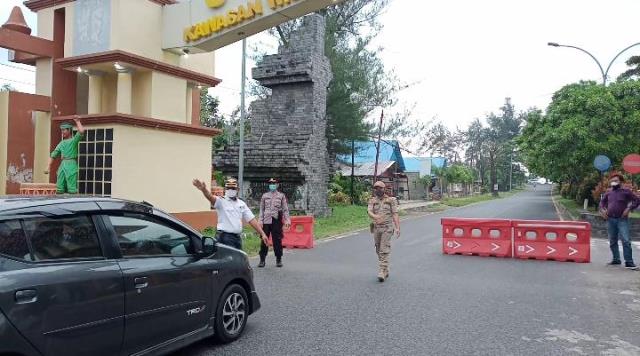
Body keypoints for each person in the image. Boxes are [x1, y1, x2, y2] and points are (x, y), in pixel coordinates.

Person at [193, 178, 268, 250]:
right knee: (230, 261)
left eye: (233, 188)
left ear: (237, 190)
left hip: (237, 238)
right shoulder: (221, 201)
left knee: (239, 260)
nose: (230, 190)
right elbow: (210, 197)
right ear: (225, 189)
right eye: (228, 188)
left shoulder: (241, 204)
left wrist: (262, 234)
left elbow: (251, 219)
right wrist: (204, 190)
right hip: (225, 237)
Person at [599, 173, 640, 270]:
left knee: (626, 240)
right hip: (610, 219)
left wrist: (629, 208)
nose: (613, 182)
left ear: (620, 181)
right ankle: (616, 259)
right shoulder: (608, 192)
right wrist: (602, 209)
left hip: (622, 219)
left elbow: (637, 200)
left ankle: (629, 262)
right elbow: (602, 202)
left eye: (616, 180)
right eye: (612, 180)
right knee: (612, 240)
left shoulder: (626, 192)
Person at [367, 181, 401, 282]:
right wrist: (375, 216)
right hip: (376, 228)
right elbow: (369, 211)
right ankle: (385, 269)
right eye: (376, 188)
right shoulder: (372, 200)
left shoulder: (391, 200)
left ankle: (382, 270)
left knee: (383, 249)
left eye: (380, 188)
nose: (378, 190)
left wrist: (398, 227)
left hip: (387, 228)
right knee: (378, 249)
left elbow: (395, 214)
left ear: (384, 188)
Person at [45, 117, 85, 194]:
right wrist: (48, 166)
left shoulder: (74, 140)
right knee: (59, 187)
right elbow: (53, 154)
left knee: (72, 188)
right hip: (63, 165)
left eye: (64, 130)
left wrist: (77, 121)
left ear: (69, 130)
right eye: (62, 130)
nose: (62, 132)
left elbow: (81, 131)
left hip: (71, 164)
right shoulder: (61, 143)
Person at [258, 178, 291, 268]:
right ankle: (262, 259)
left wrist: (287, 220)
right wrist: (260, 221)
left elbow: (285, 209)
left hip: (276, 219)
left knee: (277, 240)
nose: (272, 184)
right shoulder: (264, 196)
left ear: (277, 185)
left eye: (274, 183)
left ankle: (278, 259)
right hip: (266, 220)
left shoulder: (281, 196)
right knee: (264, 240)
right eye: (270, 183)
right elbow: (261, 209)